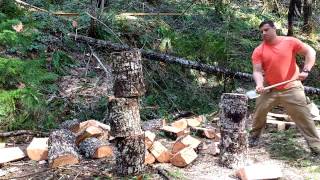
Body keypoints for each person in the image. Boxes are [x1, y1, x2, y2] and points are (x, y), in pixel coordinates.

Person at [249, 20, 320, 154]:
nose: (264, 33)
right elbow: (257, 71)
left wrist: (306, 70)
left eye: (266, 30)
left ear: (274, 28)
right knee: (259, 113)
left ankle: (316, 146)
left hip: (292, 87)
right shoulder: (259, 50)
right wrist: (259, 84)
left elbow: (310, 52)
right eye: (261, 31)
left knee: (304, 117)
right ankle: (253, 138)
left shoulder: (290, 42)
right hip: (269, 87)